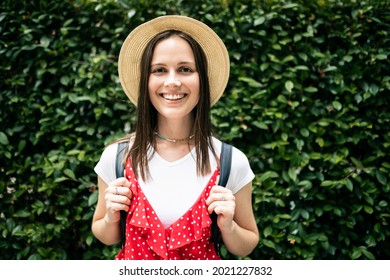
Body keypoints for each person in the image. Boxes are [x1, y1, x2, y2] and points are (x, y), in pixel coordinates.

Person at [91, 15, 259, 260]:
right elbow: (105, 234)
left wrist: (229, 226)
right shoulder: (117, 158)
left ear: (202, 79)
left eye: (185, 69)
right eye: (159, 70)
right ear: (145, 81)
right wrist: (110, 217)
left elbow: (247, 244)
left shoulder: (231, 162)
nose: (172, 82)